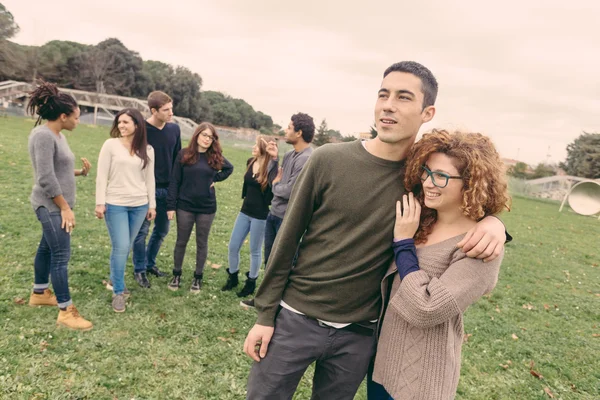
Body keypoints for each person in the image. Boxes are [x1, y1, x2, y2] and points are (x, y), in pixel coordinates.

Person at [243, 61, 509, 400]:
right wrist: (265, 314)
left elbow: (464, 202)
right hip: (295, 319)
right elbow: (286, 239)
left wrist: (495, 223)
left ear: (427, 112)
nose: (388, 104)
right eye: (383, 94)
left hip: (360, 334)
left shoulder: (420, 180)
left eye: (403, 97)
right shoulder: (328, 160)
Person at [369, 130, 510, 399]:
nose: (428, 183)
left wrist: (403, 244)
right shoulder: (418, 218)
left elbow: (427, 308)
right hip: (382, 365)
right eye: (426, 171)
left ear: (470, 183)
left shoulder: (479, 246)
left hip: (421, 381)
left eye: (442, 176)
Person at [26, 81, 93, 331]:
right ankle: (66, 310)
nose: (78, 121)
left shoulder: (58, 134)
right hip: (50, 206)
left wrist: (79, 172)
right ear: (63, 116)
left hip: (55, 204)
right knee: (61, 255)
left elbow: (56, 169)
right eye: (76, 117)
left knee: (46, 249)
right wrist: (65, 207)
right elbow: (45, 178)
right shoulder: (43, 135)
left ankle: (40, 293)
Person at [240, 112, 315, 308]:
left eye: (289, 128)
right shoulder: (290, 155)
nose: (285, 130)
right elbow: (279, 177)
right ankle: (263, 300)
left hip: (289, 219)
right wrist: (275, 167)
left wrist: (276, 186)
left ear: (299, 132)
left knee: (284, 263)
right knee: (270, 260)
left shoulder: (308, 158)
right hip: (273, 214)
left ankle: (283, 304)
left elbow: (290, 190)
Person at [95, 108, 156, 313]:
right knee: (121, 246)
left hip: (139, 204)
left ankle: (114, 278)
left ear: (137, 125)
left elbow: (150, 179)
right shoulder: (110, 145)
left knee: (126, 245)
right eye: (119, 122)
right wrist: (100, 202)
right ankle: (118, 291)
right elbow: (101, 176)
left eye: (126, 122)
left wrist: (152, 204)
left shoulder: (147, 150)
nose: (121, 126)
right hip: (115, 204)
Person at [166, 123, 233, 292]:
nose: (206, 139)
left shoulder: (214, 157)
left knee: (201, 243)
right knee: (181, 241)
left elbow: (229, 168)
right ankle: (176, 274)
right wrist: (171, 206)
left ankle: (197, 278)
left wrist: (215, 179)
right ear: (197, 135)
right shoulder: (184, 154)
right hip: (184, 206)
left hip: (206, 207)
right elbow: (174, 181)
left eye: (210, 137)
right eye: (204, 135)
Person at [132, 91, 181, 288]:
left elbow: (178, 159)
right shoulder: (141, 129)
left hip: (167, 190)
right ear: (154, 111)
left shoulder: (174, 130)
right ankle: (139, 269)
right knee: (142, 232)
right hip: (145, 189)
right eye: (166, 110)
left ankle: (150, 263)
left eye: (171, 108)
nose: (171, 113)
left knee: (161, 230)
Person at [222, 136, 278, 298]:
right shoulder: (250, 162)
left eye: (257, 145)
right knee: (233, 246)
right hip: (244, 211)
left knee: (254, 251)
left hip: (260, 216)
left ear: (264, 148)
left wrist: (274, 158)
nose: (253, 147)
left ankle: (251, 282)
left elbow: (273, 187)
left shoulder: (271, 169)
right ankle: (233, 277)